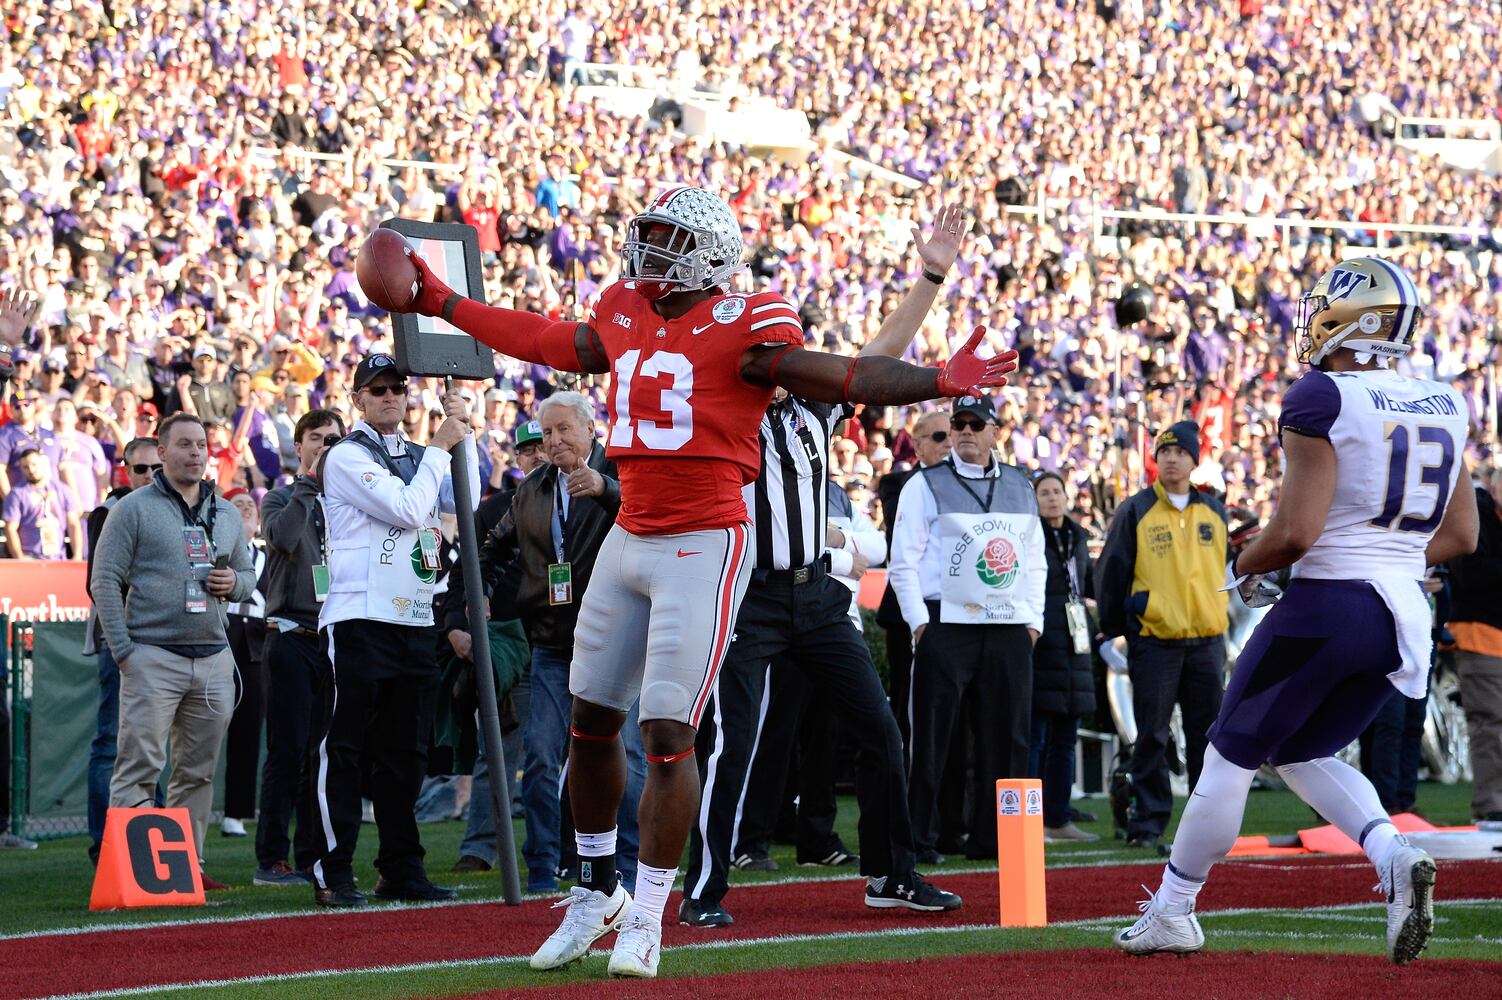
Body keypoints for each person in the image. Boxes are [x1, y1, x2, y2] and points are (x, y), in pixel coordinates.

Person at [396, 185, 1014, 978]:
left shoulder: (749, 323)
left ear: (712, 250)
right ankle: (594, 893)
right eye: (646, 235)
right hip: (631, 532)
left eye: (668, 238)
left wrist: (934, 381)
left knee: (666, 731)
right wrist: (443, 300)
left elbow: (848, 373)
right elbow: (546, 339)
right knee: (590, 718)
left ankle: (649, 911)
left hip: (706, 542)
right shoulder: (623, 307)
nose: (650, 251)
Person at [1114, 257, 1478, 965]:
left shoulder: (1323, 397)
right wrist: (1383, 559)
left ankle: (1174, 909)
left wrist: (1241, 566)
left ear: (1352, 318)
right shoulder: (1445, 401)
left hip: (1331, 605)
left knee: (1228, 752)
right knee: (1300, 749)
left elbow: (1296, 532)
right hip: (1404, 615)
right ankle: (1392, 854)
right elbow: (1461, 536)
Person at [682, 204, 974, 929]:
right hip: (747, 599)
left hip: (817, 598)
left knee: (879, 729)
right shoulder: (720, 410)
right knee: (733, 744)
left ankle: (891, 875)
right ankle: (703, 889)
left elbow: (877, 359)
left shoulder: (812, 410)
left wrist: (932, 276)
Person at [309, 354, 478, 908]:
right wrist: (440, 447)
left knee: (405, 753)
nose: (389, 397)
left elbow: (467, 501)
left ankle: (401, 868)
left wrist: (465, 439)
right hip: (359, 616)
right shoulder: (345, 455)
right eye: (376, 389)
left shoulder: (413, 455)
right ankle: (332, 870)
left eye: (397, 389)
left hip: (411, 614)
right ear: (357, 400)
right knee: (348, 747)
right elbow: (408, 509)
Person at [472, 391, 645, 892]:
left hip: (618, 640)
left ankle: (628, 866)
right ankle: (544, 868)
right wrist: (478, 591)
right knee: (543, 757)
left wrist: (609, 489)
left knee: (628, 755)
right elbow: (493, 546)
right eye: (547, 433)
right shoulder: (532, 490)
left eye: (564, 429)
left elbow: (657, 515)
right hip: (551, 644)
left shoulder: (624, 471)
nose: (555, 441)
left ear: (592, 429)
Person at [91, 413, 258, 890]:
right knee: (139, 766)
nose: (195, 453)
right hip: (151, 655)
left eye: (201, 445)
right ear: (161, 452)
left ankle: (188, 870)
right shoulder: (133, 509)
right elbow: (104, 581)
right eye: (184, 444)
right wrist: (125, 650)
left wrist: (234, 583)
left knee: (198, 773)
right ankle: (131, 876)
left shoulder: (226, 513)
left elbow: (247, 577)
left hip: (212, 658)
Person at [888, 394, 1047, 863]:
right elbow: (904, 562)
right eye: (958, 424)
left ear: (995, 431)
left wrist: (1032, 624)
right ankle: (920, 838)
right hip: (946, 625)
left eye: (975, 424)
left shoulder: (1021, 484)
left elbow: (1035, 561)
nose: (965, 432)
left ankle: (998, 839)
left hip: (1009, 626)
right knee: (932, 738)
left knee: (1009, 737)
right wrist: (921, 625)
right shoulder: (924, 484)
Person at [1094, 419, 1229, 850]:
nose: (1171, 458)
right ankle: (1148, 822)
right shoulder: (1135, 509)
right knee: (1151, 734)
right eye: (1164, 451)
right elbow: (1112, 570)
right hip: (1155, 641)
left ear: (1194, 460)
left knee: (1207, 737)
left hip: (1207, 641)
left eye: (1180, 452)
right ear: (1156, 459)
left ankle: (1205, 825)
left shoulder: (1215, 511)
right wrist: (1118, 629)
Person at [255, 408, 344, 885]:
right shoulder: (281, 497)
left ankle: (312, 856)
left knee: (321, 754)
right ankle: (271, 858)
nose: (326, 445)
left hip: (332, 640)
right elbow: (284, 537)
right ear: (300, 444)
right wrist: (309, 484)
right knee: (287, 753)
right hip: (289, 635)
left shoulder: (347, 502)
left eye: (334, 438)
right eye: (317, 438)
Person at [82, 437, 159, 864]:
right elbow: (97, 582)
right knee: (111, 744)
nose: (150, 476)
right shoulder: (108, 512)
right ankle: (105, 850)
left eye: (155, 468)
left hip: (165, 644)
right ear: (126, 472)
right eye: (141, 469)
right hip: (123, 643)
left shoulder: (174, 508)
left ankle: (161, 854)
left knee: (155, 747)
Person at [1028, 471, 1098, 842]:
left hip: (1075, 642)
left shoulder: (1078, 537)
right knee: (1036, 738)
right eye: (1044, 492)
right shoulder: (1029, 536)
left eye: (1057, 491)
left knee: (1065, 741)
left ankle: (1059, 818)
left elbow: (1087, 586)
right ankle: (1031, 822)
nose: (1052, 498)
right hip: (1041, 640)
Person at [1448, 465, 1502, 822]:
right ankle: (1491, 807)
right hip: (1481, 634)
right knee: (1491, 723)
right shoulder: (1476, 516)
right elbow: (1469, 575)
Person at [220, 487, 267, 838]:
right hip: (222, 634)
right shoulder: (218, 550)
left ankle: (236, 811)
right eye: (238, 504)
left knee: (249, 726)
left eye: (251, 504)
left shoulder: (271, 554)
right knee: (203, 728)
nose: (247, 509)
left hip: (258, 641)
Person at [3, 447, 82, 559]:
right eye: (25, 467)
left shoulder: (63, 490)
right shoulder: (17, 494)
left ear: (43, 463)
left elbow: (73, 524)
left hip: (58, 558)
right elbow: (10, 529)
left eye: (34, 464)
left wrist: (77, 555)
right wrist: (20, 558)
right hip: (30, 558)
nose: (31, 470)